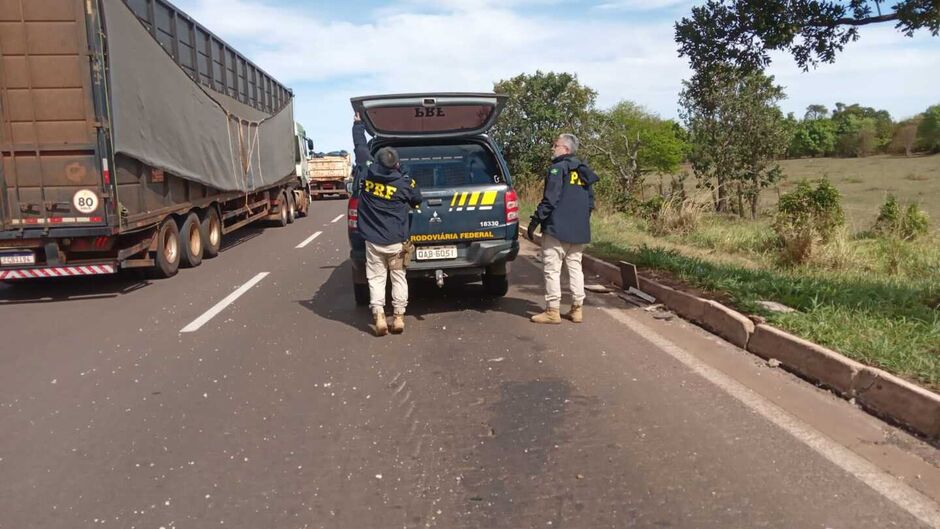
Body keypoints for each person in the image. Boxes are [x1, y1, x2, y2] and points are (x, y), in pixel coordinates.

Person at [352, 113, 423, 336]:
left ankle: (380, 316)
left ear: (378, 161)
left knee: (376, 278)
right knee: (398, 277)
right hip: (396, 241)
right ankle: (399, 317)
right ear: (396, 164)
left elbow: (360, 148)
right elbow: (417, 198)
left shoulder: (367, 172)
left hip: (373, 241)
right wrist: (404, 174)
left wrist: (357, 124)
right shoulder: (403, 183)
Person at [527, 133, 599, 324]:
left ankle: (552, 311)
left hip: (557, 229)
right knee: (575, 267)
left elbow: (550, 200)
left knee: (552, 269)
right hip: (579, 230)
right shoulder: (584, 171)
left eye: (555, 145)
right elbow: (590, 202)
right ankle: (577, 309)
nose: (553, 148)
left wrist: (535, 221)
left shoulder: (557, 169)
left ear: (565, 149)